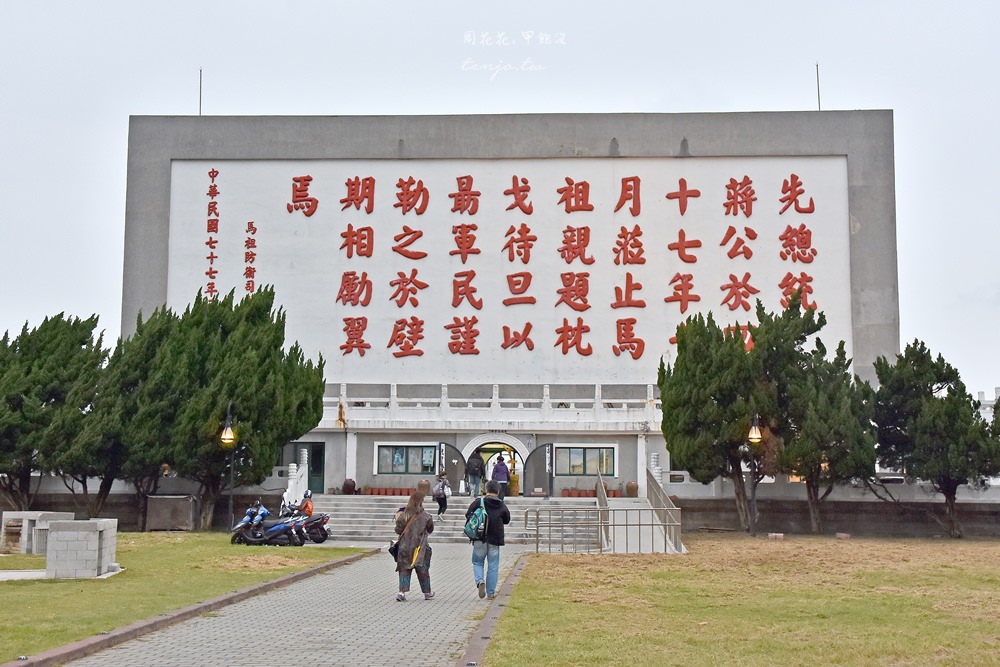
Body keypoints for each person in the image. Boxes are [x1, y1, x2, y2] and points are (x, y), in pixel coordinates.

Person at [466, 479, 510, 601]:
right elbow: (507, 519)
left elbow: (468, 515)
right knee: (493, 565)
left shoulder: (478, 502)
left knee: (477, 562)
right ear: (498, 491)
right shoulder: (501, 505)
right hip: (495, 539)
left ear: (486, 490)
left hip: (480, 538)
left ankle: (480, 581)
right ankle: (490, 593)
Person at [393, 489, 435, 601]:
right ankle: (427, 593)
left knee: (404, 569)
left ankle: (401, 593)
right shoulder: (426, 516)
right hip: (420, 548)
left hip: (405, 547)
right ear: (421, 502)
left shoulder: (404, 515)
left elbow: (398, 530)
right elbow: (430, 529)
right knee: (423, 570)